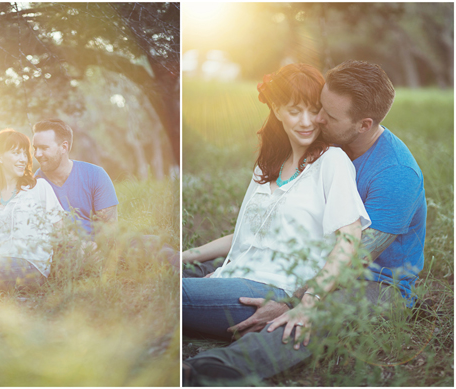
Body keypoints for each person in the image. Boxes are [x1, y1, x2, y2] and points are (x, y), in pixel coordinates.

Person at [183, 60, 427, 384]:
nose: (317, 118)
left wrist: (293, 301)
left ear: (363, 124)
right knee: (201, 273)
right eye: (319, 105)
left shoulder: (396, 175)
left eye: (327, 114)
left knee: (321, 314)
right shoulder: (332, 145)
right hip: (309, 262)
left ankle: (219, 369)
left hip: (376, 280)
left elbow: (354, 257)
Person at [32, 118, 180, 270]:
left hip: (101, 248)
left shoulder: (95, 175)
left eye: (43, 148)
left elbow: (110, 228)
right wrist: (80, 248)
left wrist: (96, 249)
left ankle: (186, 270)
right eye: (35, 148)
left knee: (150, 244)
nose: (37, 154)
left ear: (64, 147)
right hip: (61, 251)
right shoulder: (34, 184)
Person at [0, 129, 65, 291]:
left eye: (25, 153)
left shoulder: (39, 187)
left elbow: (60, 231)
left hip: (31, 265)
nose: (23, 159)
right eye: (16, 153)